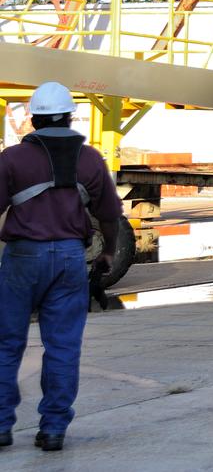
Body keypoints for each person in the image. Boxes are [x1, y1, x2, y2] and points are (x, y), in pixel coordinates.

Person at [0, 81, 121, 452]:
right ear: (71, 117)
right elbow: (110, 215)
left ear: (33, 120)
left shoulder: (12, 159)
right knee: (63, 347)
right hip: (70, 259)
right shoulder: (90, 159)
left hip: (22, 258)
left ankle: (2, 426)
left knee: (6, 344)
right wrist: (108, 253)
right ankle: (53, 429)